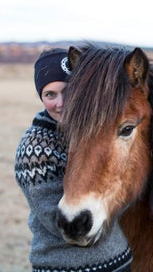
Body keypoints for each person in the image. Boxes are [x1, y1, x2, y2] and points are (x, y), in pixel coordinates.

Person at [14, 48, 132, 272]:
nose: (61, 103)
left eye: (68, 91)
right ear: (41, 97)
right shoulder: (34, 149)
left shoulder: (92, 134)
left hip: (119, 261)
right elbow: (63, 224)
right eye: (50, 95)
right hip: (66, 267)